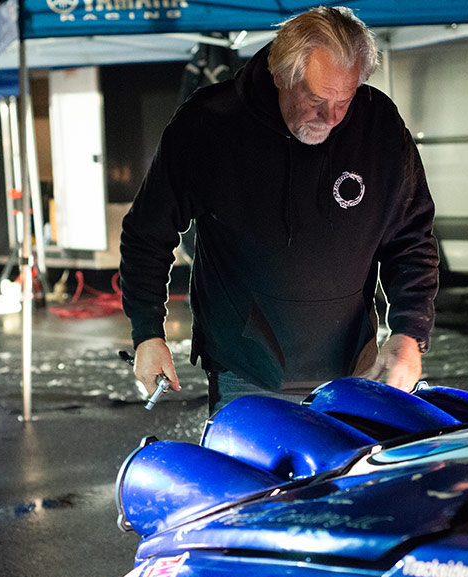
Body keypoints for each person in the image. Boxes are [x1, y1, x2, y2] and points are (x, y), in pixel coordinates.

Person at [119, 6, 439, 414]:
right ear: (280, 76)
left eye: (347, 99)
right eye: (317, 99)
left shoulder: (379, 126)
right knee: (258, 477)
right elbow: (147, 233)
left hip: (355, 365)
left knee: (353, 475)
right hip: (246, 369)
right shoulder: (209, 125)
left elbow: (411, 239)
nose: (333, 117)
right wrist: (148, 333)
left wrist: (410, 332)